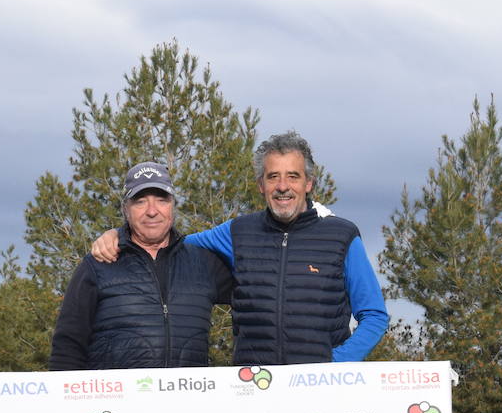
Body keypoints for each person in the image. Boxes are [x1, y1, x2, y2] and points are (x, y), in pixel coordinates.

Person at [91, 131, 389, 365]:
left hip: (321, 390)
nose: (282, 186)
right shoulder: (237, 232)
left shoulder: (342, 236)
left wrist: (337, 363)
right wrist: (120, 234)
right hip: (254, 395)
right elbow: (168, 243)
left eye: (293, 176)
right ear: (261, 184)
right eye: (273, 176)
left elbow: (374, 315)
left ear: (309, 183)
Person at [49, 161, 232, 370]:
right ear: (126, 209)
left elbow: (258, 300)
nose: (152, 211)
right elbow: (67, 346)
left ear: (173, 205)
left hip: (187, 400)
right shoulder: (97, 265)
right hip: (116, 402)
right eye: (140, 202)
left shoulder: (204, 262)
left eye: (161, 200)